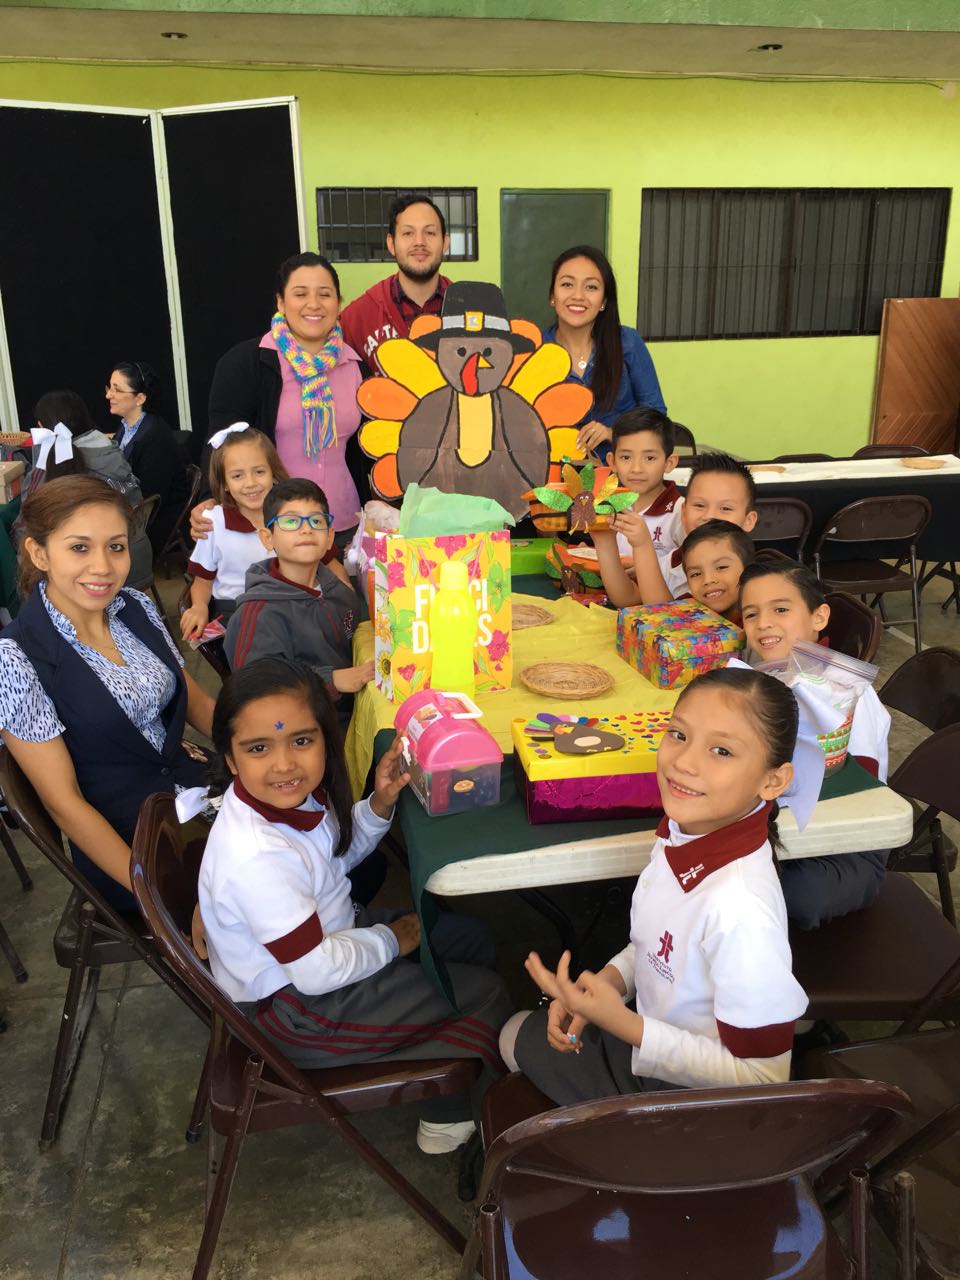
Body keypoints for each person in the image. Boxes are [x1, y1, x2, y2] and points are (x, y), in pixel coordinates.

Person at [198, 657, 511, 1153]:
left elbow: (331, 858)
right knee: (484, 994)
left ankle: (434, 1043)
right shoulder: (256, 858)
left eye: (302, 741)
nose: (284, 764)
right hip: (298, 1011)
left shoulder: (286, 800)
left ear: (326, 740)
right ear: (231, 760)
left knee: (469, 940)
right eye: (259, 748)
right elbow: (316, 972)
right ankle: (448, 1115)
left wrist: (380, 803)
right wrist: (390, 940)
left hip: (330, 943)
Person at [499, 666, 809, 1102]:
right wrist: (607, 983)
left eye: (721, 750)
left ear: (773, 780)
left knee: (511, 1035)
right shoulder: (688, 833)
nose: (683, 762)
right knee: (521, 1033)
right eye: (678, 735)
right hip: (654, 1035)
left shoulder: (740, 909)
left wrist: (622, 1023)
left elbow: (764, 1078)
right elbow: (661, 948)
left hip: (688, 1099)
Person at [0, 476, 214, 912]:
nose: (102, 566)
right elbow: (64, 805)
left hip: (198, 794)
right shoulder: (16, 658)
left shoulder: (134, 606)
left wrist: (255, 748)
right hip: (134, 843)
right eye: (79, 547)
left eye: (115, 547)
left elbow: (193, 699)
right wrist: (154, 893)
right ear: (39, 553)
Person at [738, 560, 891, 929]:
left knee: (789, 893)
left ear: (819, 617)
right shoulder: (763, 679)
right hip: (782, 829)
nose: (763, 623)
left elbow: (857, 798)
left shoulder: (847, 693)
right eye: (751, 614)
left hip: (845, 844)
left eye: (780, 609)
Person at [199, 253, 364, 543]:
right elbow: (219, 443)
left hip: (341, 523)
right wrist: (207, 499)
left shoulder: (356, 366)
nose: (314, 303)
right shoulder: (246, 363)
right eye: (300, 294)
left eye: (325, 294)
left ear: (338, 303)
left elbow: (363, 451)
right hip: (269, 528)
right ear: (280, 302)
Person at [225, 478, 373, 722]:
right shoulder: (258, 614)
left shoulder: (339, 592)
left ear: (329, 537)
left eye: (316, 521)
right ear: (267, 537)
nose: (306, 529)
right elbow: (256, 687)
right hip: (302, 724)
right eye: (291, 521)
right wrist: (332, 679)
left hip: (355, 706)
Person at [16, 390, 153, 589]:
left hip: (96, 579)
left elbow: (26, 526)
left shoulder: (46, 471)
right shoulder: (111, 452)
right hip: (138, 561)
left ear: (41, 427)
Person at [544, 245, 666, 461]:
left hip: (621, 474)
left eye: (591, 287)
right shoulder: (535, 350)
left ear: (604, 302)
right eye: (567, 284)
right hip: (552, 474)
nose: (578, 295)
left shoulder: (627, 342)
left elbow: (656, 416)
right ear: (553, 296)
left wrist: (613, 433)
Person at [594, 452, 758, 607]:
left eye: (726, 508)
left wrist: (643, 545)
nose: (709, 516)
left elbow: (666, 617)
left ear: (749, 520)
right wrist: (605, 542)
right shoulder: (672, 561)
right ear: (684, 513)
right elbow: (630, 599)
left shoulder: (753, 575)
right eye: (699, 505)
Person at [180, 425, 289, 640]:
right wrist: (199, 606)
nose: (251, 483)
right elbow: (203, 579)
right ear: (225, 484)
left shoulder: (291, 514)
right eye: (237, 475)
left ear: (273, 474)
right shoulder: (214, 522)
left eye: (259, 472)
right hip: (236, 617)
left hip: (288, 608)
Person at [340, 193, 451, 371]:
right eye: (408, 233)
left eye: (430, 232)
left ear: (445, 242)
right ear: (391, 244)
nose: (419, 242)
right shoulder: (356, 318)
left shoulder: (472, 309)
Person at [106, 361, 189, 555]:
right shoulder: (126, 427)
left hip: (151, 523)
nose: (109, 395)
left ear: (140, 398)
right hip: (132, 511)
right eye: (110, 387)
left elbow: (149, 498)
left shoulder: (154, 438)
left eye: (117, 390)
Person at [608, 408, 681, 562]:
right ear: (612, 462)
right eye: (626, 457)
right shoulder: (608, 506)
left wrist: (645, 569)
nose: (636, 469)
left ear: (669, 463)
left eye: (649, 458)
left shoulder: (681, 513)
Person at [678, 519, 756, 624]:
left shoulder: (762, 620)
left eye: (721, 567)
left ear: (749, 570)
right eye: (696, 574)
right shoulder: (681, 612)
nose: (708, 580)